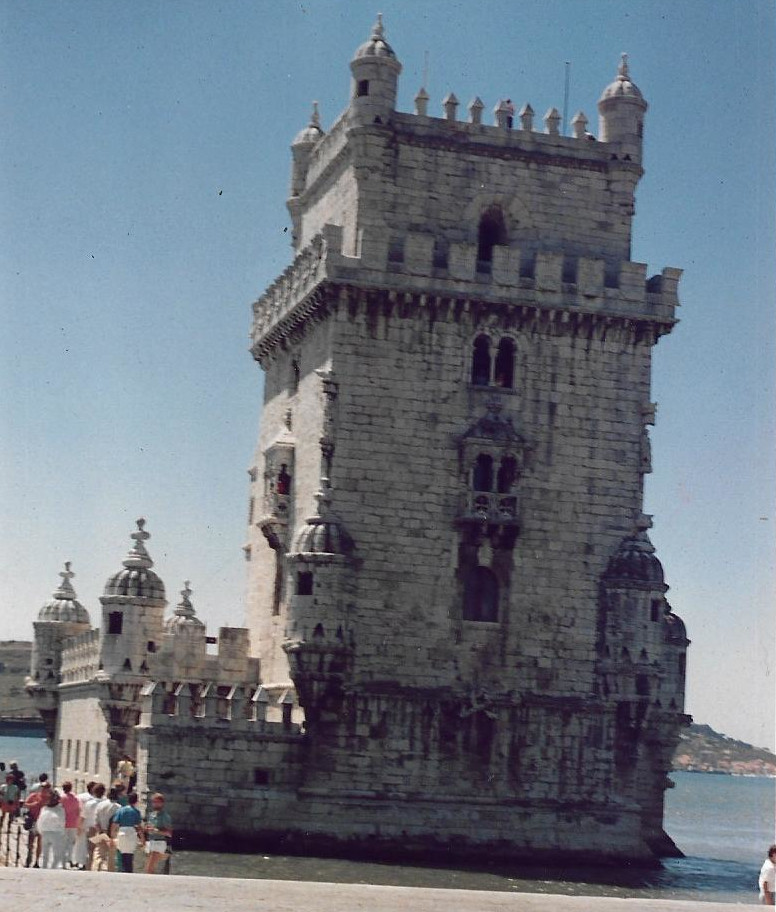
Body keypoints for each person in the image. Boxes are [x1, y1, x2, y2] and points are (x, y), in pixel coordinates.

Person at [110, 792, 143, 873]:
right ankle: (129, 870)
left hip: (122, 831)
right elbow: (139, 827)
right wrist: (143, 838)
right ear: (136, 801)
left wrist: (112, 836)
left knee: (122, 852)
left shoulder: (121, 810)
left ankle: (122, 869)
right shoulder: (136, 811)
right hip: (131, 832)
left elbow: (114, 824)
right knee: (130, 853)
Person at [23, 781, 52, 867]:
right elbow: (25, 804)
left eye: (47, 788)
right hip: (33, 821)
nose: (45, 789)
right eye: (43, 787)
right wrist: (34, 804)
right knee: (31, 841)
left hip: (43, 822)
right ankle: (29, 856)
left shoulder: (50, 799)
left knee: (40, 842)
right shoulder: (34, 796)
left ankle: (37, 861)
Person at [93, 785, 121, 871]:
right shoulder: (118, 807)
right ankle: (110, 871)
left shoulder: (100, 805)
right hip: (113, 833)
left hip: (101, 830)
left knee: (99, 853)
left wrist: (99, 831)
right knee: (111, 855)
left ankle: (95, 869)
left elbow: (95, 820)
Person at [144, 792, 172, 874]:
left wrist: (157, 831)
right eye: (154, 802)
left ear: (162, 803)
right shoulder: (151, 815)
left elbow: (169, 833)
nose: (155, 804)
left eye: (157, 802)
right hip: (150, 841)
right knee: (150, 866)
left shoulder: (165, 817)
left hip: (160, 842)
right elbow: (148, 827)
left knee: (150, 866)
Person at [37, 790, 66, 868]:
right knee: (51, 853)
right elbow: (62, 821)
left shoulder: (45, 809)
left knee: (51, 853)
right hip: (54, 832)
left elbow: (39, 821)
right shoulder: (47, 808)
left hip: (49, 832)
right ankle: (47, 867)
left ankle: (50, 867)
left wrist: (40, 830)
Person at [60, 781, 81, 868]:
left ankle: (63, 862)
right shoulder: (75, 798)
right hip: (73, 823)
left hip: (63, 823)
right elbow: (78, 811)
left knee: (63, 843)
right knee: (71, 843)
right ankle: (70, 859)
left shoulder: (61, 798)